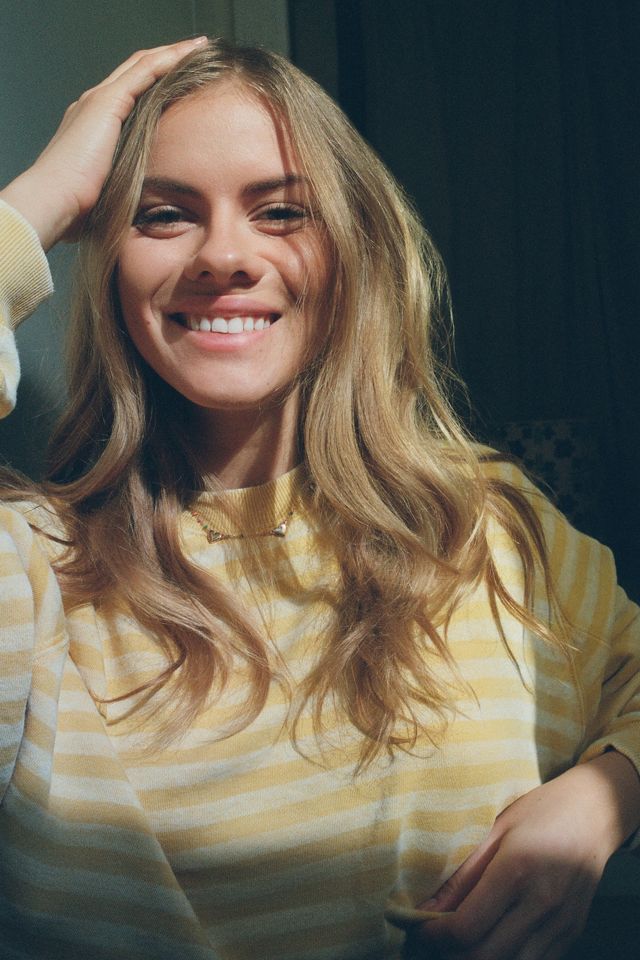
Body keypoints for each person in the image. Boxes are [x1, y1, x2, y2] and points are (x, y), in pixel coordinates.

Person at [0, 36, 638, 960]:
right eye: (164, 215)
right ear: (107, 262)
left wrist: (602, 799)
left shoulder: (485, 525)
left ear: (351, 250)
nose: (225, 255)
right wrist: (35, 204)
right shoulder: (33, 577)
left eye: (281, 212)